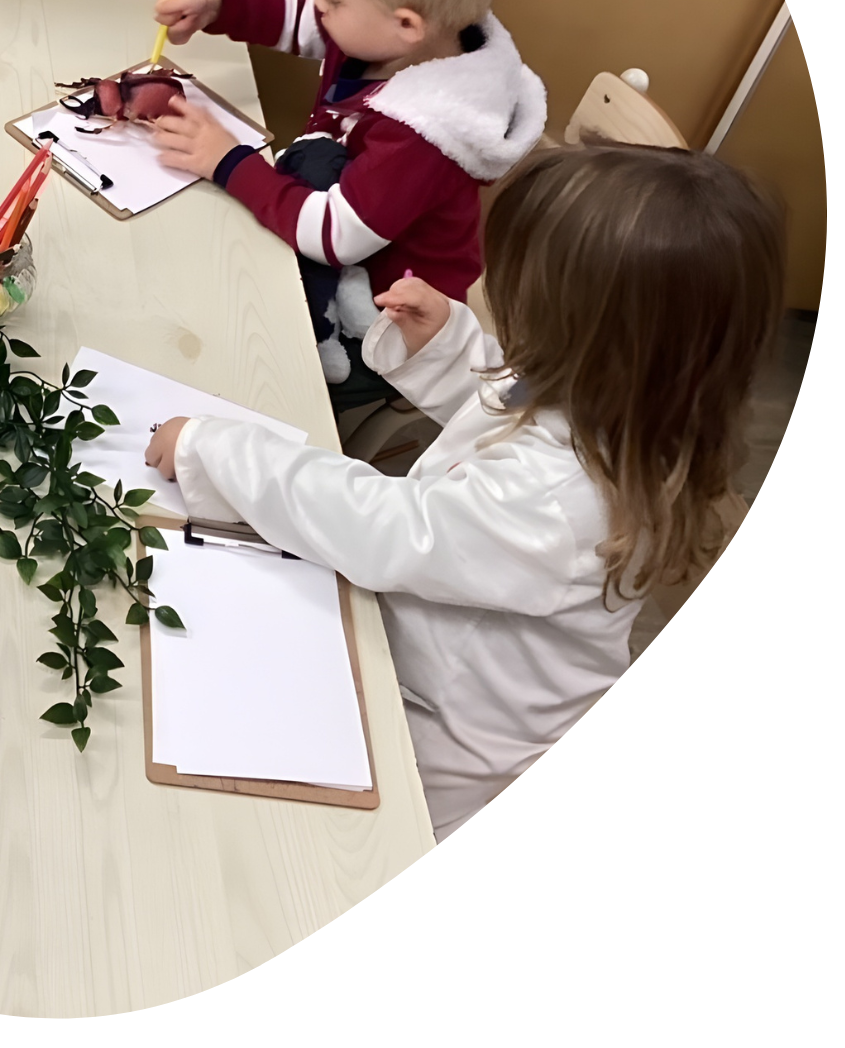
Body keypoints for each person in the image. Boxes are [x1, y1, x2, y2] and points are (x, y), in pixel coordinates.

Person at [144, 145, 785, 840]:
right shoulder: (633, 398)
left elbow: (387, 527)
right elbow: (512, 408)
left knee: (313, 845)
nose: (493, 292)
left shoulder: (564, 497)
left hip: (450, 738)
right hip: (415, 650)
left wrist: (217, 451)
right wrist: (448, 348)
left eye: (518, 295)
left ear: (587, 336)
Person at [151, 0, 545, 406]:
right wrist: (220, 5)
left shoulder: (426, 134)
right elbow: (297, 13)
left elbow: (334, 236)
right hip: (332, 249)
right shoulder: (389, 34)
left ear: (406, 24)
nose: (320, 2)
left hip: (385, 328)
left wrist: (227, 161)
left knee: (237, 366)